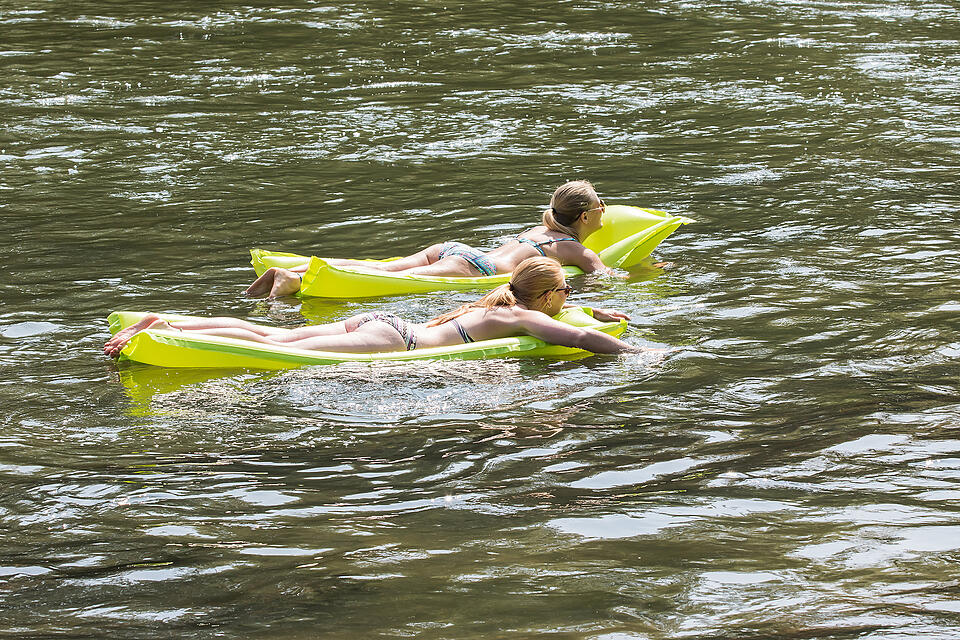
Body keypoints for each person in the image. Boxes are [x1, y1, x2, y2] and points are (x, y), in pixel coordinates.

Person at [105, 258, 643, 358]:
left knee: (272, 335)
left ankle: (166, 320)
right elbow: (579, 339)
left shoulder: (502, 301)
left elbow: (576, 319)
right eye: (566, 294)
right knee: (271, 345)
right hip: (393, 341)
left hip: (386, 326)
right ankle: (160, 335)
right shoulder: (523, 318)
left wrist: (592, 312)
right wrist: (636, 351)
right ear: (548, 297)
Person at [245, 180, 619, 298]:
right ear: (586, 216)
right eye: (601, 203)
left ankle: (295, 268)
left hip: (456, 249)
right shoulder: (576, 249)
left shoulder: (542, 229)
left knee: (382, 268)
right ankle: (292, 280)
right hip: (476, 267)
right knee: (390, 281)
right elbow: (609, 279)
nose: (606, 207)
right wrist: (652, 269)